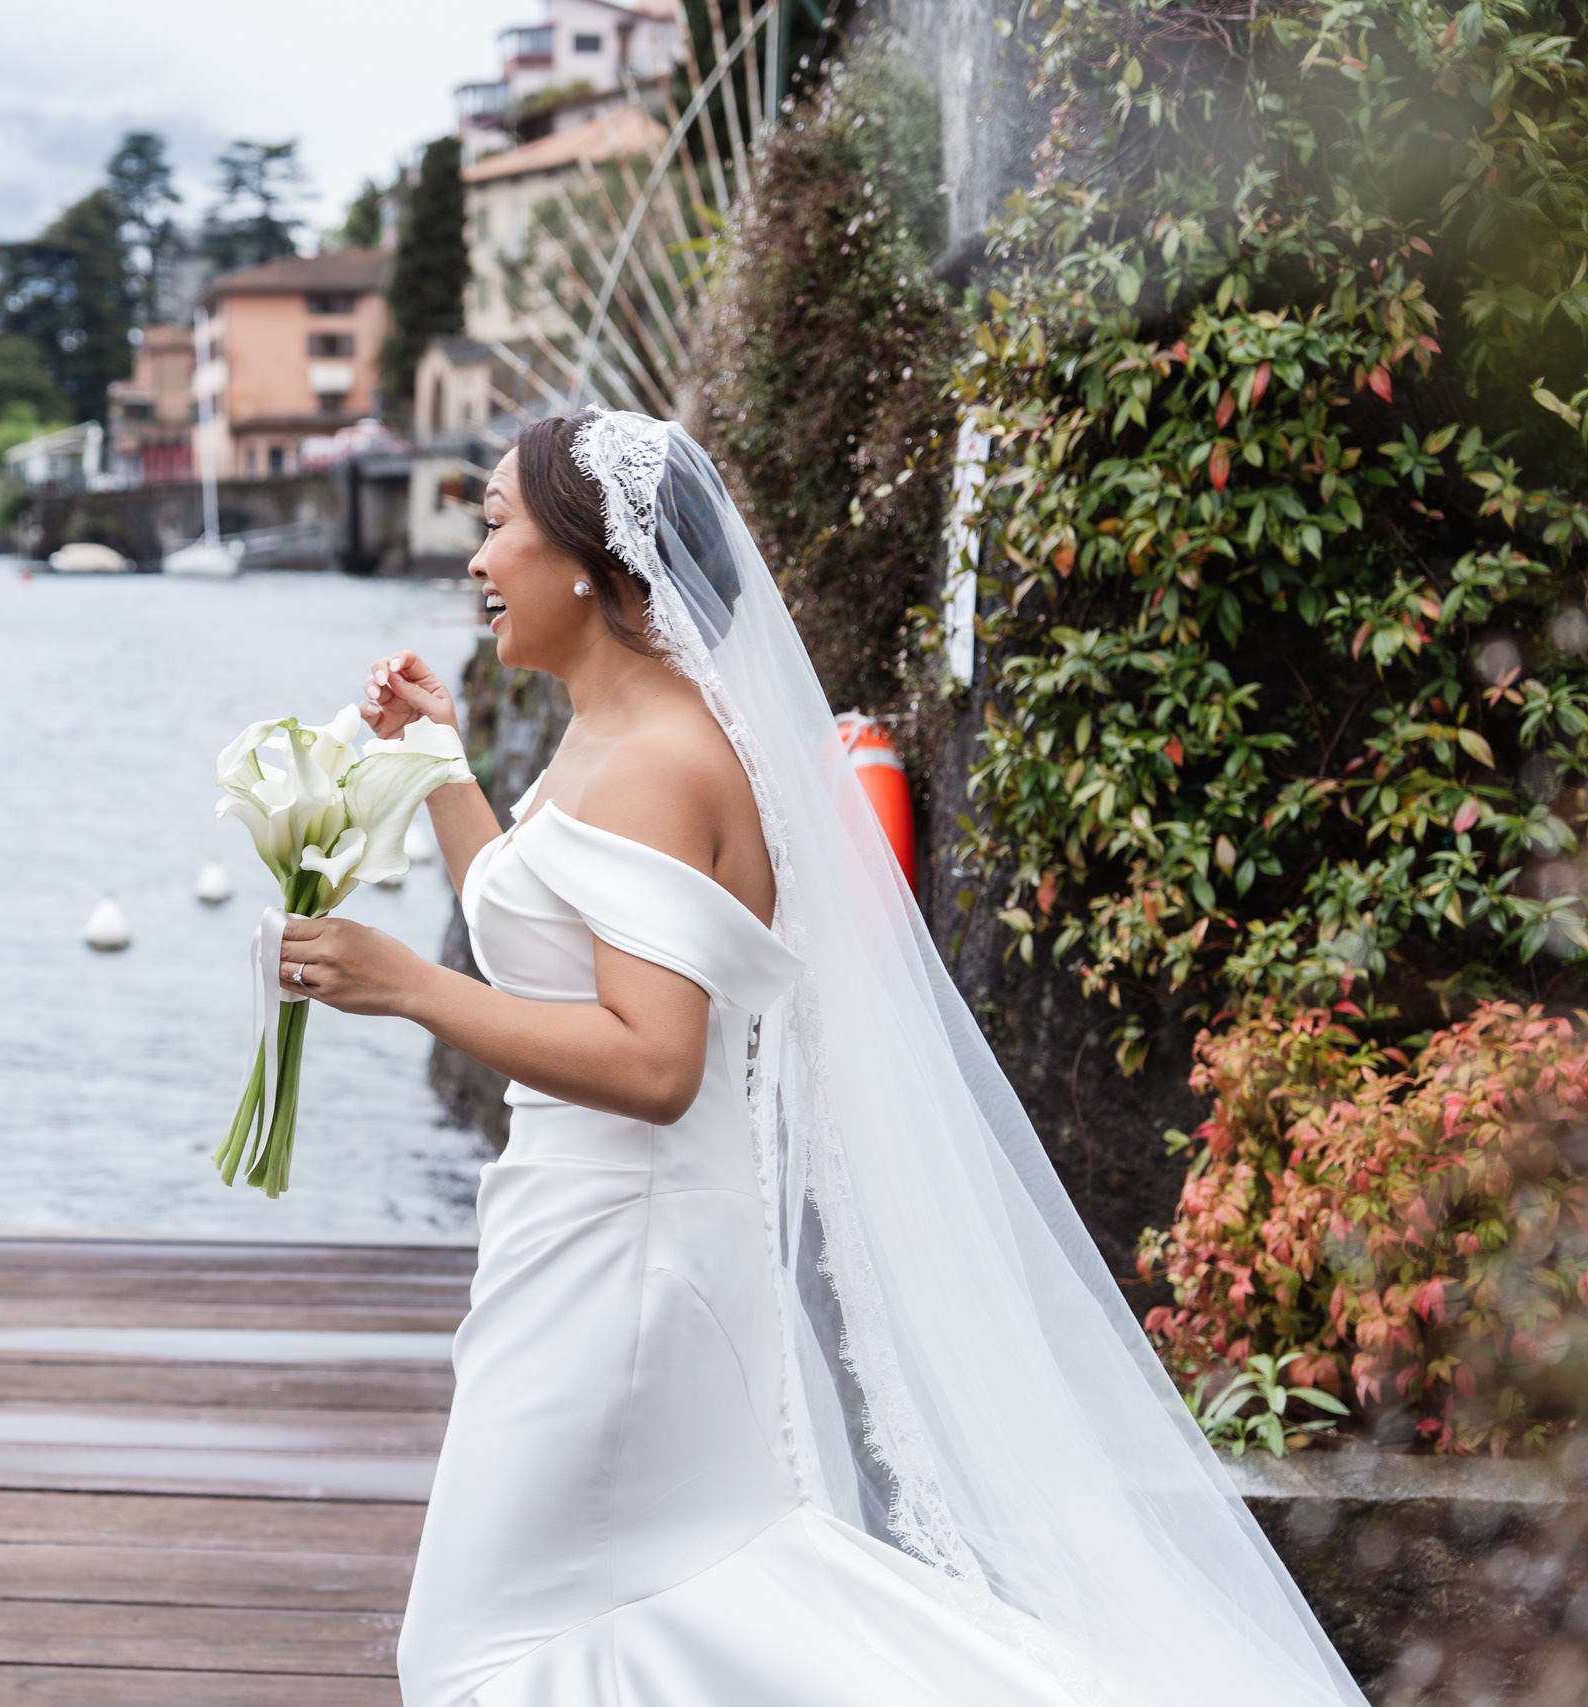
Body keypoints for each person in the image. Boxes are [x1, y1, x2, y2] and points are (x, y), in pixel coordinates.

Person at [277, 410, 1363, 1706]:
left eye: (499, 522)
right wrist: (440, 766)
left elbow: (655, 1064)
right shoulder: (613, 731)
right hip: (580, 1240)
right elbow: (541, 934)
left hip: (628, 1258)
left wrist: (411, 988)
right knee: (635, 1618)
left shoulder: (658, 763)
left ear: (592, 560)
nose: (474, 558)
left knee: (486, 1655)